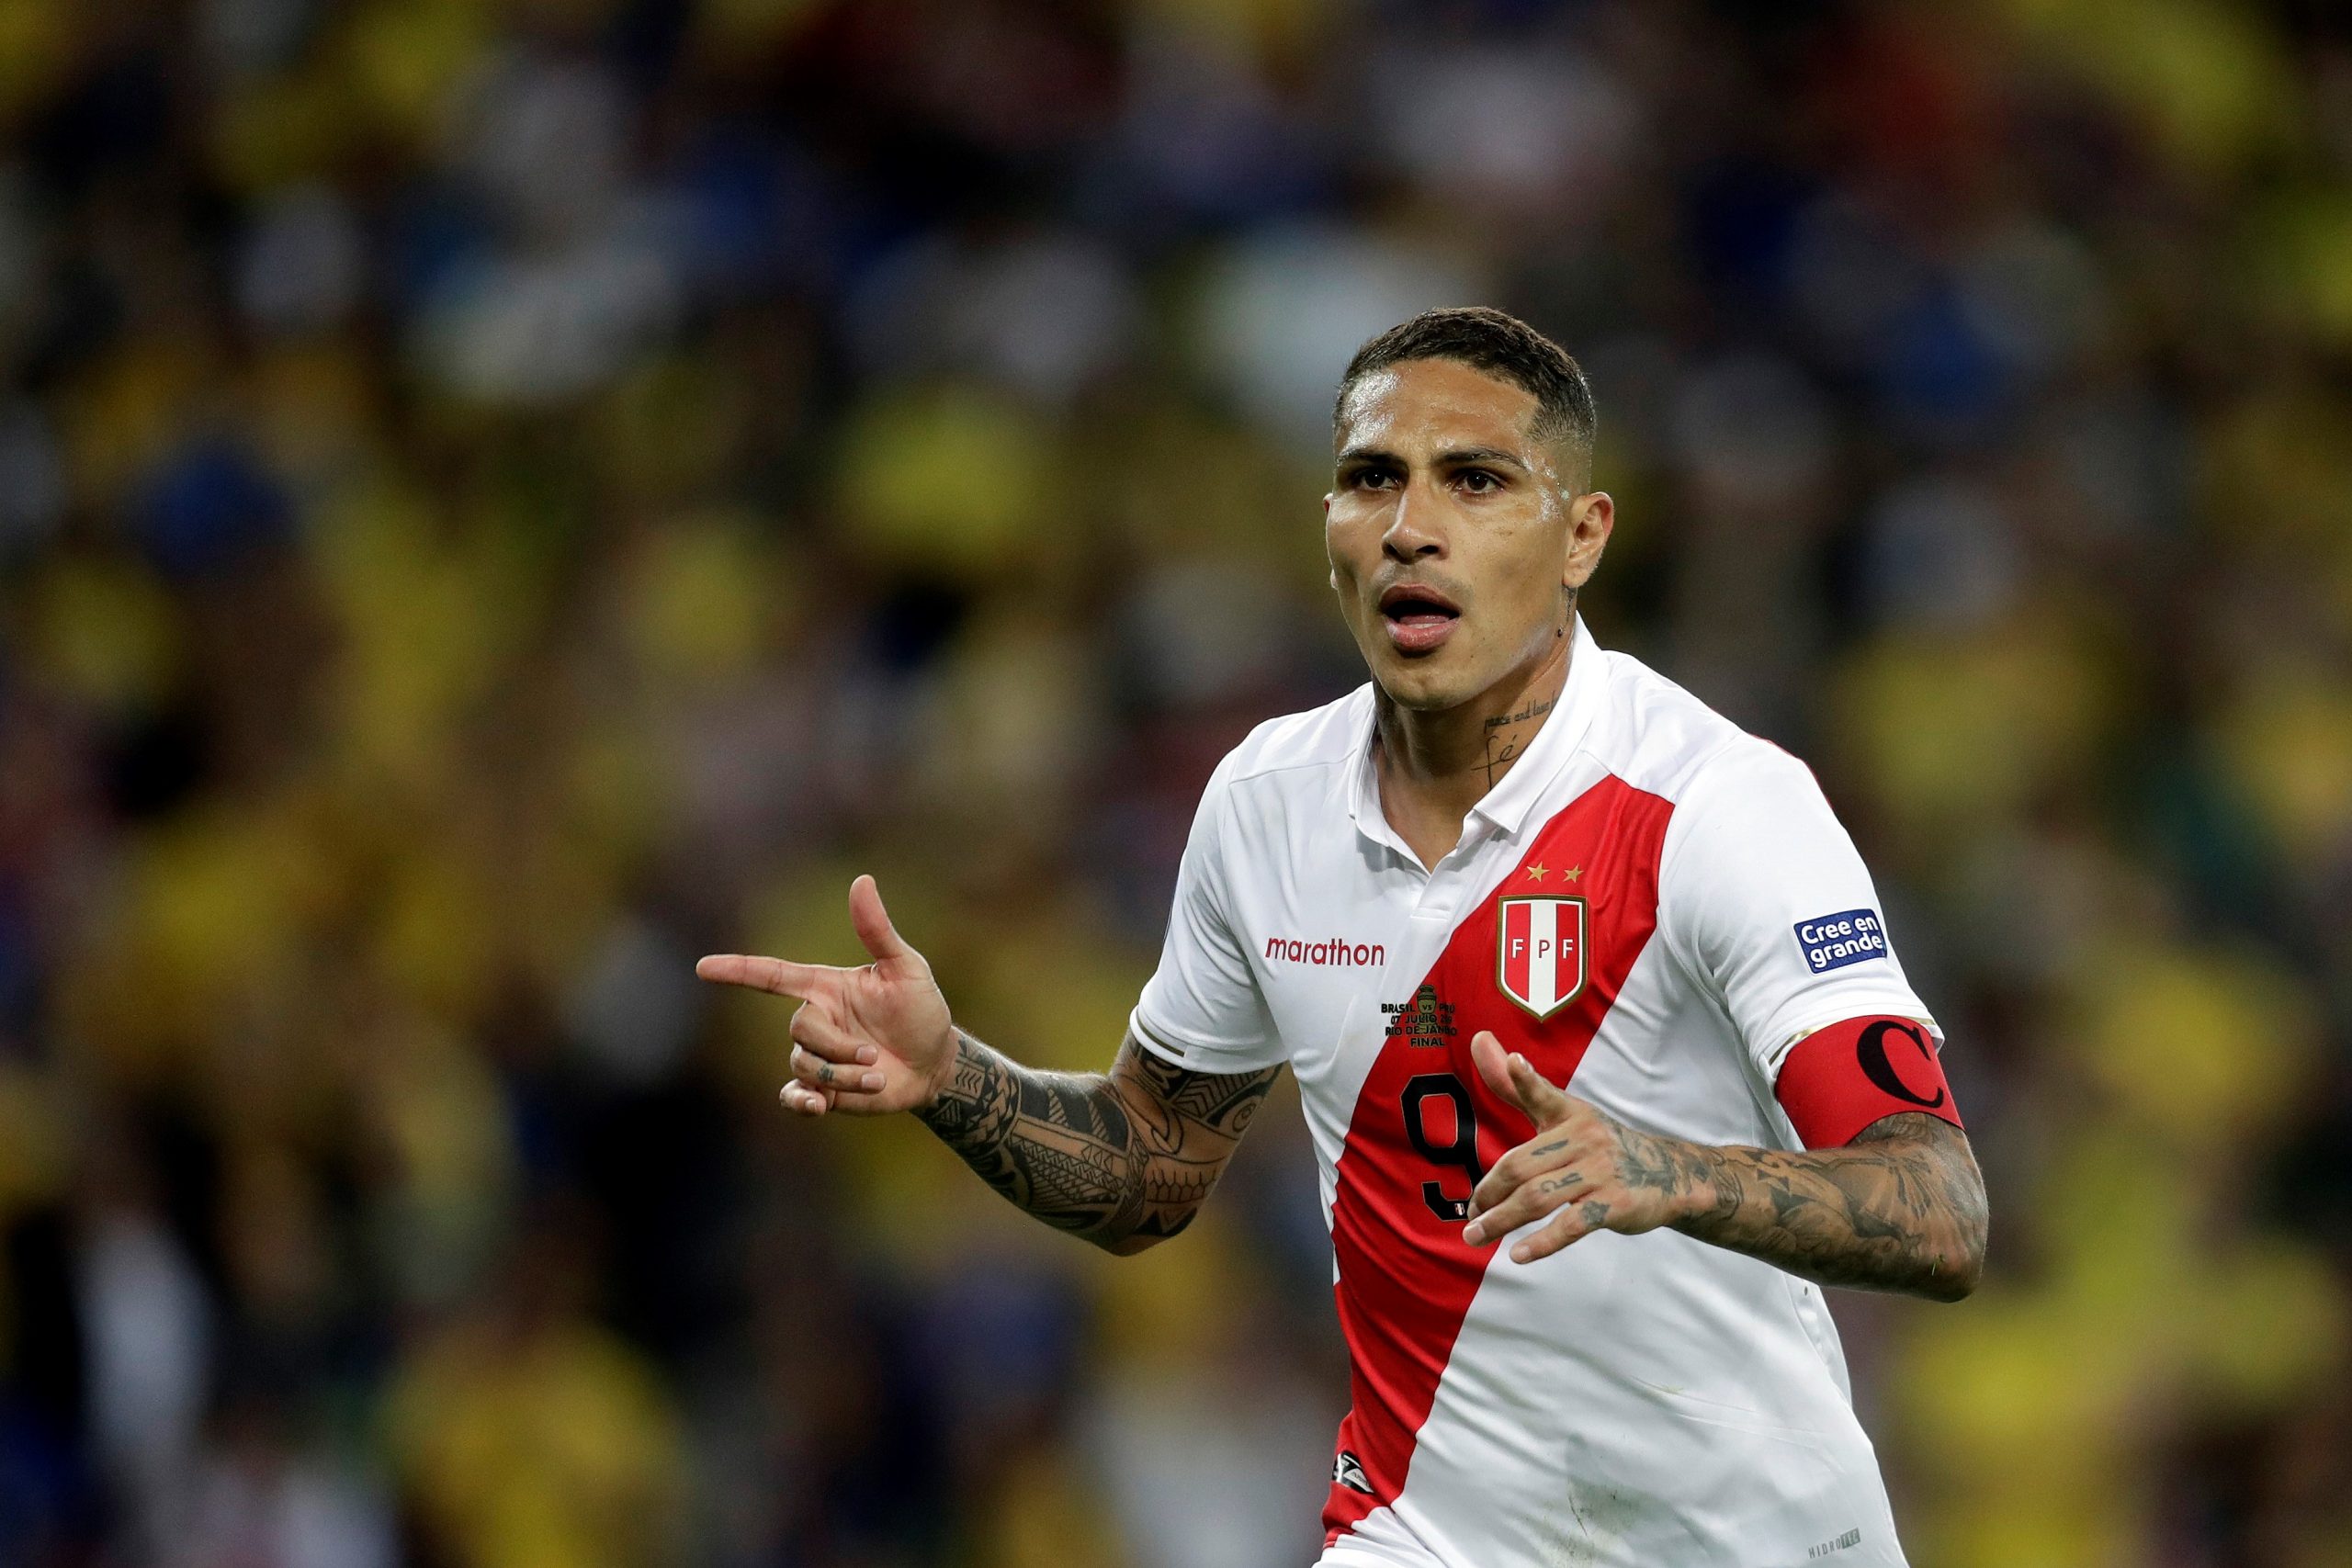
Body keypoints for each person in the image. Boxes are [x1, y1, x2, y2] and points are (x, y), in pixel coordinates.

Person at [697, 307, 1989, 1567]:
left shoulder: (1716, 807)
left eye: (1475, 480)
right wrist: (950, 1077)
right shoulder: (1266, 805)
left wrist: (1677, 1173)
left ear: (1583, 536)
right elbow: (1152, 1171)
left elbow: (1939, 1209)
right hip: (1428, 1532)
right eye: (1373, 479)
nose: (1411, 527)